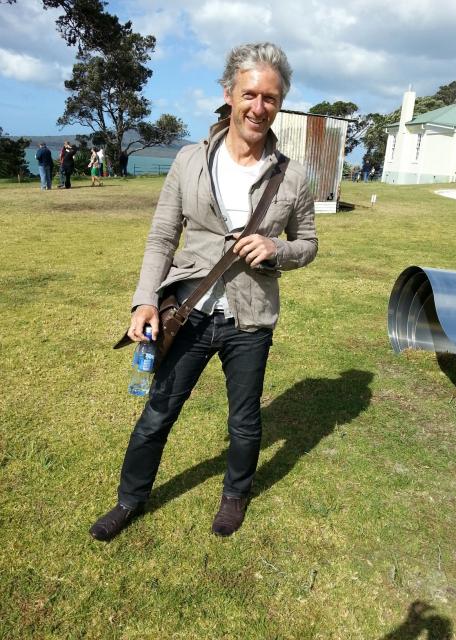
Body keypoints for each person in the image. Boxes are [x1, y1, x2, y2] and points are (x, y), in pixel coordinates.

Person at [89, 42, 318, 542]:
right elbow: (161, 237)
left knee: (244, 419)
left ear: (281, 103)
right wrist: (145, 300)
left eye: (271, 98)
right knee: (158, 412)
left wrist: (276, 248)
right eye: (250, 94)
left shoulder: (293, 175)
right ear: (228, 94)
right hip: (188, 312)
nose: (259, 107)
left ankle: (235, 494)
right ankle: (130, 499)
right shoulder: (190, 160)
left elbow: (309, 244)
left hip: (250, 320)